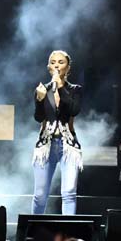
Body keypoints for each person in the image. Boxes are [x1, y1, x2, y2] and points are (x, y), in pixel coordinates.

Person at [32, 50, 82, 215]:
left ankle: (69, 229)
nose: (57, 66)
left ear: (68, 67)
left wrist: (60, 86)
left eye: (61, 62)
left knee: (69, 193)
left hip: (68, 145)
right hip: (46, 145)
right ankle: (34, 228)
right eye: (53, 62)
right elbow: (39, 118)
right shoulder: (42, 90)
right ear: (48, 67)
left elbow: (73, 110)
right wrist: (40, 100)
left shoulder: (75, 90)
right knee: (40, 195)